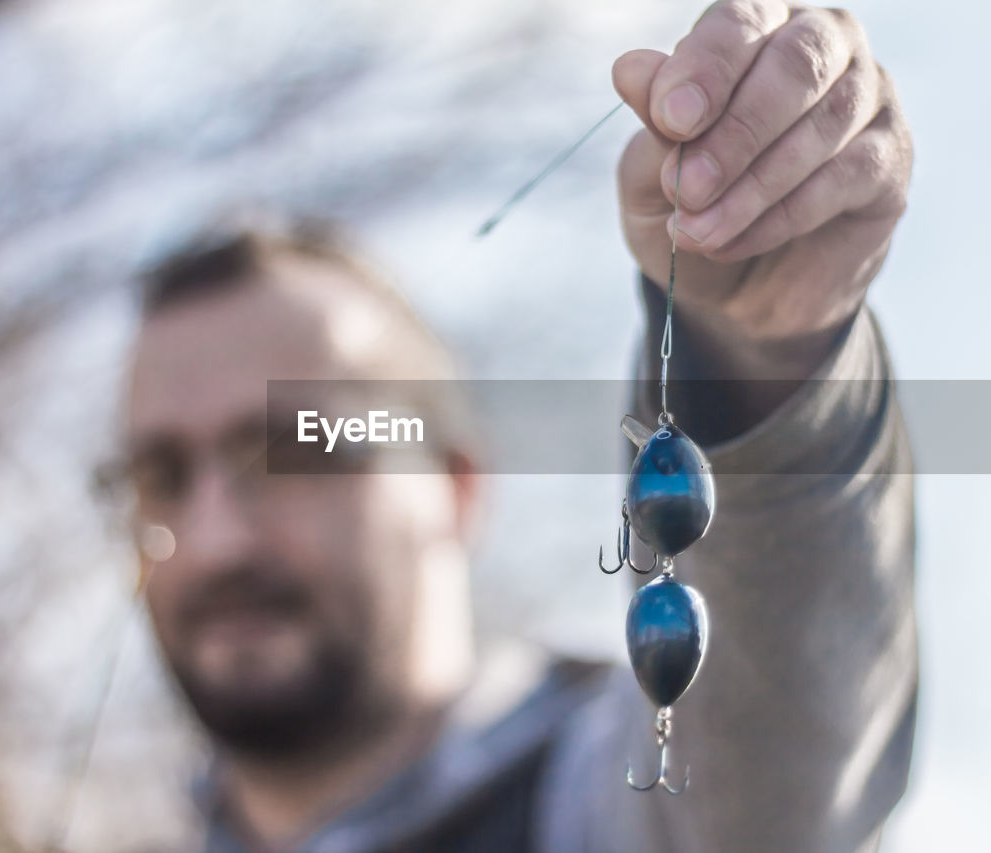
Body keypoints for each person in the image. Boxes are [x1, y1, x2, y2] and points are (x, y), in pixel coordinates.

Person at [115, 2, 918, 850]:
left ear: (455, 488)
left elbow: (771, 780)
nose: (212, 541)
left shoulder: (629, 805)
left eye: (288, 451)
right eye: (159, 475)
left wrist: (756, 355)